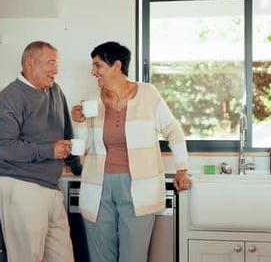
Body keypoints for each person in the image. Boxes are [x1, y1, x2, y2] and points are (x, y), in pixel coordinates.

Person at [70, 41, 192, 262]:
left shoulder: (148, 94)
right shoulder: (91, 99)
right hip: (98, 186)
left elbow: (173, 131)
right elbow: (84, 146)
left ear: (116, 65)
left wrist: (182, 168)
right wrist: (79, 123)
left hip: (139, 186)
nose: (93, 72)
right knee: (100, 256)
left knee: (133, 256)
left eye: (98, 66)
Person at [0, 41, 82, 262]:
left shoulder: (55, 91)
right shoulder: (11, 96)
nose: (55, 69)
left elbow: (67, 133)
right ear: (30, 63)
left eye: (56, 64)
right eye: (50, 63)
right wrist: (49, 150)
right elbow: (2, 147)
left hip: (50, 188)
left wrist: (78, 168)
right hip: (21, 187)